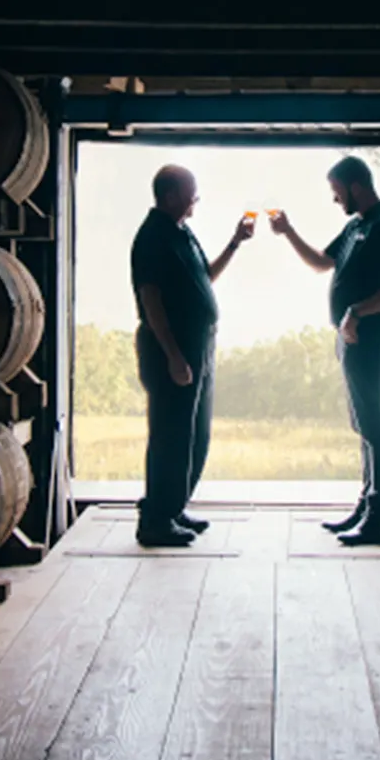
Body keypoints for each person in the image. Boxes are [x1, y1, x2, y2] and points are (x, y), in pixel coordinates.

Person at [270, 155, 380, 546]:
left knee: (375, 425)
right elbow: (321, 262)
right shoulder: (356, 227)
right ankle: (366, 507)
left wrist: (356, 312)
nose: (335, 200)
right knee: (362, 424)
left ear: (355, 186)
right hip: (350, 339)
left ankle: (379, 519)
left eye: (337, 192)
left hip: (372, 338)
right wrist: (288, 232)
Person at [130, 165, 254, 548]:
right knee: (170, 435)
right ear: (169, 196)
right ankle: (155, 520)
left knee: (193, 435)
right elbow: (151, 301)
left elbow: (204, 277)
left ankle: (174, 507)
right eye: (190, 192)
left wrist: (234, 243)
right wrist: (173, 354)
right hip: (174, 351)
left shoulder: (182, 233)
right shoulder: (153, 236)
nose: (195, 197)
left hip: (198, 348)